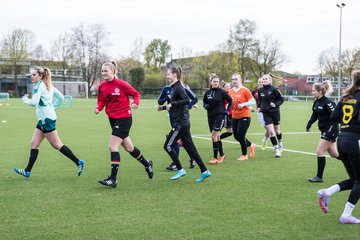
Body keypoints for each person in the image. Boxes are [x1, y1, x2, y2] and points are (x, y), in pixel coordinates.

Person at [14, 67, 85, 178]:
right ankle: (27, 171)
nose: (32, 77)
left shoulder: (39, 86)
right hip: (44, 119)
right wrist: (53, 108)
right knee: (34, 144)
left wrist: (25, 99)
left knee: (56, 145)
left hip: (46, 120)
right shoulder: (48, 85)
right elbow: (61, 98)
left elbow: (34, 102)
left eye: (34, 75)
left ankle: (78, 162)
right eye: (31, 75)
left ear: (40, 76)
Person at [95, 61, 153, 188]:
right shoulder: (102, 86)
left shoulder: (122, 84)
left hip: (124, 118)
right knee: (129, 148)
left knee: (112, 146)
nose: (103, 73)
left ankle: (113, 179)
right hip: (112, 119)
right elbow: (101, 100)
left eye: (106, 71)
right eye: (102, 71)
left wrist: (135, 104)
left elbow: (136, 94)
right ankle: (147, 163)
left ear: (113, 71)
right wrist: (98, 108)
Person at [317, 70, 360, 224]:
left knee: (356, 179)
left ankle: (327, 192)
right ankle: (346, 214)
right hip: (355, 140)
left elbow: (334, 117)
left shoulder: (346, 97)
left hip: (342, 139)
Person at [163, 66, 211, 182]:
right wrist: (165, 107)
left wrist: (172, 104)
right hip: (183, 122)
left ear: (174, 74)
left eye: (168, 73)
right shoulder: (174, 87)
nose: (167, 75)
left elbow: (186, 100)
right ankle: (205, 171)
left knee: (168, 145)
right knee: (190, 148)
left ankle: (180, 169)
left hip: (181, 123)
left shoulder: (179, 87)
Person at [157, 80, 198, 170]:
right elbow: (159, 102)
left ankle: (178, 163)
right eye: (168, 75)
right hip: (173, 117)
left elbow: (195, 99)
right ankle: (190, 160)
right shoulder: (166, 88)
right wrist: (166, 98)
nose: (169, 77)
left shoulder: (181, 88)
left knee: (179, 140)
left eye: (170, 74)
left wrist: (188, 107)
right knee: (180, 140)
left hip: (183, 118)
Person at [306, 81, 339, 183]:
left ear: (320, 91)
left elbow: (336, 118)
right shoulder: (316, 102)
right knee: (334, 154)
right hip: (324, 130)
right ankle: (355, 165)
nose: (312, 92)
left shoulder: (328, 103)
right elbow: (315, 115)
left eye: (313, 91)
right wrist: (309, 123)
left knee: (319, 151)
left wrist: (331, 132)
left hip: (331, 130)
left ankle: (319, 177)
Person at [203, 74, 233, 164]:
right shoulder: (207, 93)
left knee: (213, 136)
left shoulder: (222, 92)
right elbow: (204, 102)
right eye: (214, 81)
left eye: (217, 81)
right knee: (217, 136)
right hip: (210, 116)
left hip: (220, 116)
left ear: (218, 83)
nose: (215, 83)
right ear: (211, 82)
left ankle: (215, 158)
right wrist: (205, 105)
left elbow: (231, 101)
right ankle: (222, 155)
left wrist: (227, 110)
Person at [228, 73, 256, 161]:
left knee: (241, 135)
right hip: (234, 116)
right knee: (236, 136)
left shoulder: (245, 90)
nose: (234, 81)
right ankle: (251, 145)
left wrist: (244, 104)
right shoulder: (230, 91)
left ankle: (244, 155)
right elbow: (230, 103)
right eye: (233, 79)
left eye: (236, 79)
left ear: (240, 80)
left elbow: (253, 102)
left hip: (245, 115)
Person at [258, 74, 284, 157]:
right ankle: (277, 150)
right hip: (265, 113)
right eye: (263, 79)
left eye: (266, 79)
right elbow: (259, 100)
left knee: (277, 131)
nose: (264, 80)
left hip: (275, 112)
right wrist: (259, 107)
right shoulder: (260, 90)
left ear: (269, 80)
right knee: (271, 132)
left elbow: (281, 99)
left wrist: (275, 104)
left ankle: (280, 142)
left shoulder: (274, 89)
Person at [251, 77, 270, 150]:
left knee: (271, 129)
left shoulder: (268, 90)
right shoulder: (255, 92)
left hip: (268, 111)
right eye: (259, 82)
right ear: (258, 83)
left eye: (262, 82)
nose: (261, 83)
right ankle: (265, 140)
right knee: (268, 129)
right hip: (260, 112)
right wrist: (250, 107)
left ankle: (267, 141)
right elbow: (249, 99)